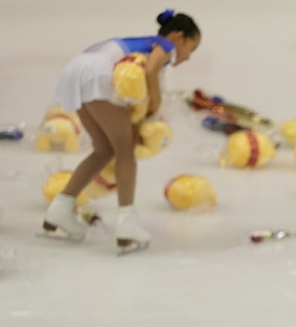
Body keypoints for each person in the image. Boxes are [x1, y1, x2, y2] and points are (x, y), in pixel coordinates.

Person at [42, 10, 201, 251]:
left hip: (76, 71)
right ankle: (127, 224)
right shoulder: (166, 46)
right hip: (97, 73)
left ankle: (60, 208)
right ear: (179, 37)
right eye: (191, 48)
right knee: (125, 150)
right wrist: (154, 106)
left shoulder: (145, 43)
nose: (188, 57)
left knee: (104, 150)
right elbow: (150, 71)